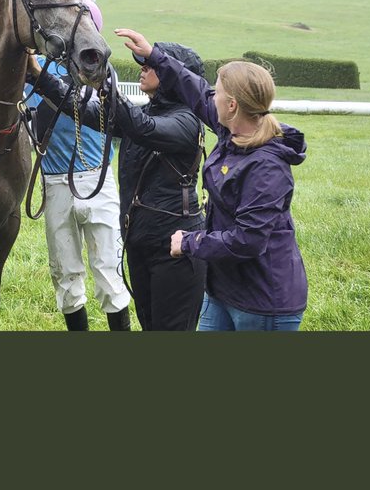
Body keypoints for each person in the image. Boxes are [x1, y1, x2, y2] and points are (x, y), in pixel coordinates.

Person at [114, 30, 308, 332]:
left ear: (232, 105)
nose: (210, 96)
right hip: (222, 291)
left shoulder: (266, 166)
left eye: (217, 92)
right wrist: (154, 55)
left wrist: (190, 241)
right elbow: (194, 89)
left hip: (263, 302)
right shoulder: (232, 128)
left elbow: (249, 240)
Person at [28, 28, 207, 332]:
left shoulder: (186, 121)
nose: (143, 69)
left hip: (175, 251)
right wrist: (37, 75)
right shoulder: (151, 111)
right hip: (142, 244)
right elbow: (83, 108)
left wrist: (102, 81)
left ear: (176, 76)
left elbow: (143, 129)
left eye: (150, 65)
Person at [25, 0, 130, 332]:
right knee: (65, 273)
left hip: (97, 181)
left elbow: (83, 106)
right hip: (56, 183)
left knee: (108, 270)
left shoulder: (101, 72)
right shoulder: (41, 68)